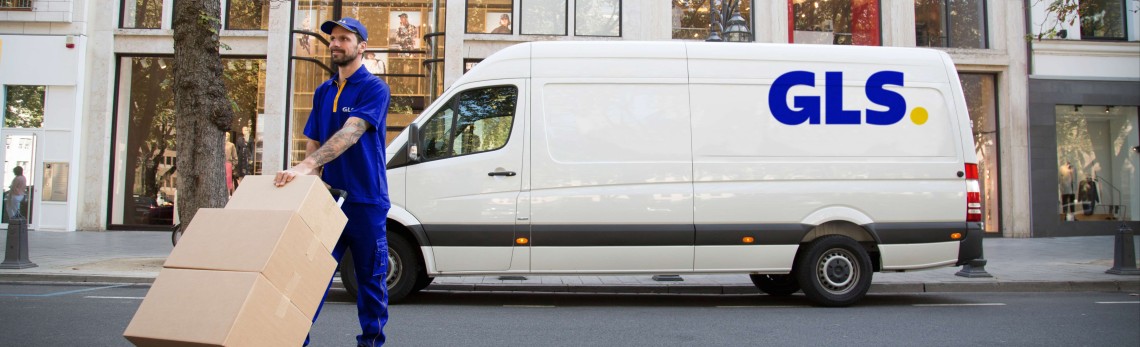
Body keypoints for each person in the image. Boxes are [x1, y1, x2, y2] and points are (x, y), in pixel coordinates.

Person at [274, 17, 392, 347]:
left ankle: (370, 344)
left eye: (344, 38)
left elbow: (351, 133)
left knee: (371, 283)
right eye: (333, 39)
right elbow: (314, 139)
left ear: (361, 47)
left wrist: (307, 165)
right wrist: (309, 173)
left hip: (366, 202)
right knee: (309, 280)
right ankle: (295, 340)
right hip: (328, 202)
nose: (336, 44)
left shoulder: (375, 88)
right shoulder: (323, 91)